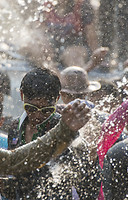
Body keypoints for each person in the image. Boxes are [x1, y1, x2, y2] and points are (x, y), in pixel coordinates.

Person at [7, 67, 101, 199]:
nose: (38, 115)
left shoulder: (67, 130)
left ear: (57, 99)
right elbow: (16, 179)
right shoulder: (15, 128)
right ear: (22, 95)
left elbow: (88, 182)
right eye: (31, 108)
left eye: (46, 110)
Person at [41, 0, 96, 68]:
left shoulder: (82, 5)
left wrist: (95, 57)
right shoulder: (48, 6)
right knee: (37, 49)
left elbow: (90, 33)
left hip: (77, 46)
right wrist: (44, 45)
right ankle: (53, 74)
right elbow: (39, 31)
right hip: (53, 46)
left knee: (71, 55)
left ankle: (78, 76)